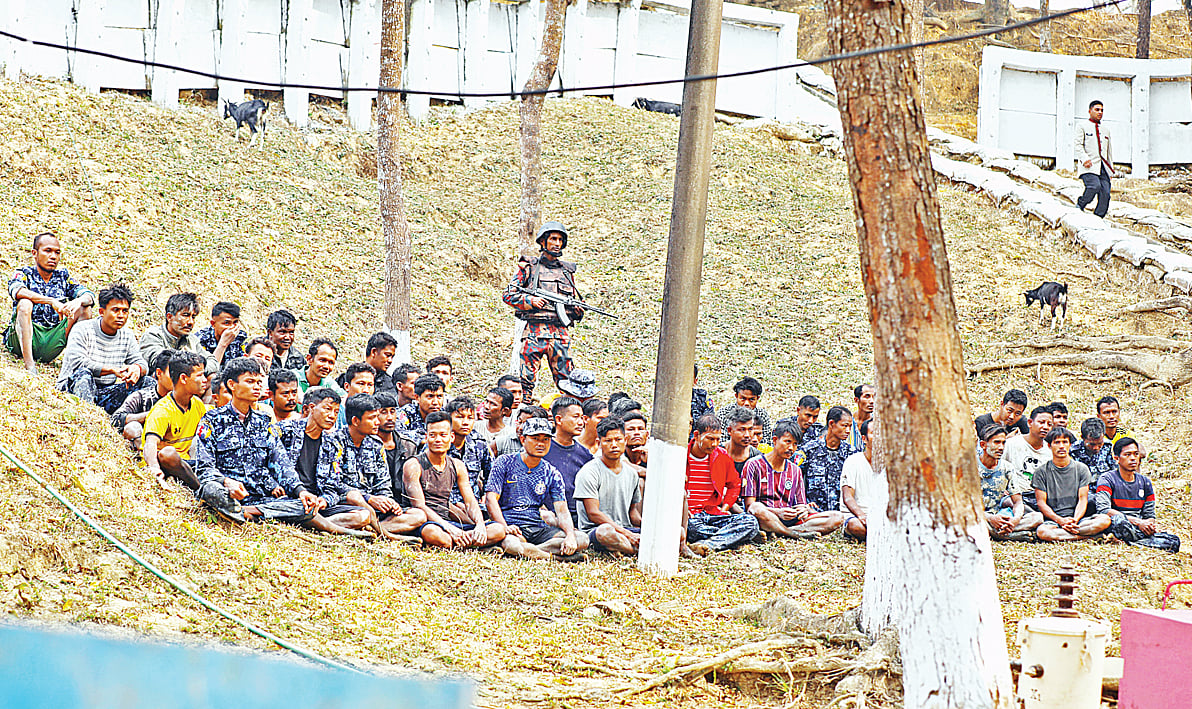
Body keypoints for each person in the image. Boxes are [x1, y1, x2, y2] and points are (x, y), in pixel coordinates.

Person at [191, 357, 322, 526]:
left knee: (307, 506)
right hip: (229, 493)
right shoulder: (212, 420)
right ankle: (245, 512)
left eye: (259, 382)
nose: (257, 386)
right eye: (250, 381)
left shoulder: (265, 422)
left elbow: (282, 464)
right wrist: (226, 482)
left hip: (261, 497)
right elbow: (204, 469)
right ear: (232, 385)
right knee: (210, 490)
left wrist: (300, 491)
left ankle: (246, 513)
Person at [318, 393, 423, 538]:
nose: (377, 422)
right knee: (357, 503)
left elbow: (383, 483)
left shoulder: (376, 444)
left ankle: (371, 528)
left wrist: (388, 502)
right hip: (345, 504)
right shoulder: (333, 442)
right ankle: (386, 533)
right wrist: (368, 498)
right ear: (355, 421)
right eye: (371, 418)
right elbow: (331, 484)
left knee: (418, 515)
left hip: (373, 508)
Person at [486, 417, 589, 560]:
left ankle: (533, 552)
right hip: (511, 526)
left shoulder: (551, 472)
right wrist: (504, 526)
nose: (541, 444)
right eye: (535, 438)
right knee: (512, 544)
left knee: (582, 539)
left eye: (546, 439)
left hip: (536, 527)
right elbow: (491, 499)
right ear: (523, 440)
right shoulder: (504, 462)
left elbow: (562, 509)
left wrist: (570, 536)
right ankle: (554, 557)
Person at [502, 221, 582, 402]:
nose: (557, 243)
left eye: (560, 239)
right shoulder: (529, 267)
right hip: (534, 331)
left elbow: (577, 303)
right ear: (543, 242)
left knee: (567, 382)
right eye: (553, 239)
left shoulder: (567, 271)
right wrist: (530, 301)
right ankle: (522, 413)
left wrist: (577, 310)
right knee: (525, 383)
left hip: (560, 333)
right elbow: (508, 295)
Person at [405, 411, 504, 549]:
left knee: (498, 530)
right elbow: (419, 505)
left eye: (443, 435)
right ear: (426, 437)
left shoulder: (457, 465)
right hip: (430, 522)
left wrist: (480, 525)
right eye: (432, 435)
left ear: (451, 437)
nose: (438, 440)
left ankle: (461, 543)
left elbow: (470, 500)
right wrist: (451, 529)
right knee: (433, 534)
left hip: (450, 520)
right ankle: (470, 545)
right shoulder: (414, 465)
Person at [6, 232, 94, 372]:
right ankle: (29, 365)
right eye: (47, 251)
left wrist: (79, 301)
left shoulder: (63, 278)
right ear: (35, 253)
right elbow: (17, 291)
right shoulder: (24, 273)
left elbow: (89, 295)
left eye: (57, 252)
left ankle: (77, 366)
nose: (53, 256)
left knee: (85, 308)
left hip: (51, 340)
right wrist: (51, 301)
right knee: (25, 303)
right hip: (22, 338)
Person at [743, 419, 843, 540]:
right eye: (787, 442)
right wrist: (778, 513)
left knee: (837, 517)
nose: (791, 448)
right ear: (775, 440)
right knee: (756, 508)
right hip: (767, 516)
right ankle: (793, 534)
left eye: (795, 444)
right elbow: (749, 505)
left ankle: (782, 531)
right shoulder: (754, 464)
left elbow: (800, 503)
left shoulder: (795, 470)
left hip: (791, 519)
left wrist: (803, 510)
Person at [56, 283, 148, 413]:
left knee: (147, 382)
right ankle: (87, 418)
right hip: (72, 387)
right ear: (101, 311)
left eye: (125, 311)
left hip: (103, 392)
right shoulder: (82, 329)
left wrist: (137, 368)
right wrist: (111, 370)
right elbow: (78, 363)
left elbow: (141, 362)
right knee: (84, 375)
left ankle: (133, 421)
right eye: (115, 310)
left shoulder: (127, 336)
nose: (121, 315)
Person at [684, 415, 759, 555]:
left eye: (718, 439)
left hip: (713, 512)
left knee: (750, 522)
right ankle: (737, 538)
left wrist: (726, 507)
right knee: (692, 529)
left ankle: (708, 544)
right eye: (710, 438)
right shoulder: (681, 455)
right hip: (691, 518)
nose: (714, 444)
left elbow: (734, 484)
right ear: (697, 435)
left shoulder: (721, 456)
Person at [1095, 438, 1180, 551]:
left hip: (1138, 528)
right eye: (1127, 455)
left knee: (1173, 541)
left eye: (1136, 454)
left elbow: (1149, 514)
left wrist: (1149, 525)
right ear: (1117, 458)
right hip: (1121, 523)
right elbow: (1104, 509)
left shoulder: (1145, 482)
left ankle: (1131, 543)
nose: (1133, 458)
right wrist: (1138, 522)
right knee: (1119, 522)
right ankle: (1137, 541)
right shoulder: (1107, 479)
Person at [574, 416, 643, 555]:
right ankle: (639, 552)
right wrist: (628, 535)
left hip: (626, 528)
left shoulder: (632, 473)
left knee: (677, 531)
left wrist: (649, 526)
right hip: (596, 530)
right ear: (599, 443)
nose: (614, 445)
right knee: (606, 533)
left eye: (618, 439)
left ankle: (627, 548)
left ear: (625, 440)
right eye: (608, 441)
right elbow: (593, 513)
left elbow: (632, 512)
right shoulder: (589, 471)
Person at [142, 351, 208, 491]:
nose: (205, 380)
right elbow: (150, 443)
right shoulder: (162, 410)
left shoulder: (197, 404)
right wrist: (154, 468)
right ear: (183, 378)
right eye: (200, 375)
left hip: (188, 463)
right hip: (167, 465)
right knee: (168, 454)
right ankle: (200, 490)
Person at [1033, 428, 1111, 542]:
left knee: (1104, 520)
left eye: (1065, 442)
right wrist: (1061, 521)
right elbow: (1041, 503)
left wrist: (1074, 520)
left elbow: (1083, 499)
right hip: (1053, 520)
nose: (1061, 446)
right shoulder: (1041, 472)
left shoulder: (1081, 469)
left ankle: (1067, 535)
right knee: (1042, 532)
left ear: (1070, 445)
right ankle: (1086, 537)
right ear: (1049, 446)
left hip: (1078, 520)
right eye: (1057, 442)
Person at [977, 424, 1040, 541]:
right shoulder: (969, 467)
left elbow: (1017, 502)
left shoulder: (1007, 468)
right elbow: (963, 506)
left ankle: (1003, 531)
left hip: (999, 515)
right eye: (996, 442)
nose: (1001, 447)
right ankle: (1008, 535)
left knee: (1037, 517)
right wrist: (990, 518)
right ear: (983, 445)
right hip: (977, 516)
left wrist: (1015, 520)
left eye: (1003, 443)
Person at [542, 396, 594, 524]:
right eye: (575, 417)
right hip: (546, 517)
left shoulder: (585, 454)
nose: (581, 422)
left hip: (577, 518)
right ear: (559, 419)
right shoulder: (541, 450)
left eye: (582, 418)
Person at [795, 406, 856, 513]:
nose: (848, 431)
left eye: (850, 426)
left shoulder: (851, 454)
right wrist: (803, 502)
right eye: (844, 426)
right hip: (812, 511)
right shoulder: (809, 450)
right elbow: (793, 476)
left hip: (842, 512)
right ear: (831, 424)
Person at [443, 396, 493, 525]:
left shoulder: (478, 443)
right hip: (445, 505)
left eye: (470, 418)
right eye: (460, 417)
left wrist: (487, 494)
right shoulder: (439, 442)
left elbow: (491, 473)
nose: (465, 422)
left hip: (474, 505)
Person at [139, 292, 217, 374]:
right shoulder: (153, 335)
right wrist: (195, 367)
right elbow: (161, 363)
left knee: (212, 377)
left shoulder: (191, 339)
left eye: (193, 317)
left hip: (187, 383)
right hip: (157, 384)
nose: (191, 322)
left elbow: (213, 362)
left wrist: (195, 369)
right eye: (185, 315)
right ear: (169, 317)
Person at [112, 349, 174, 450]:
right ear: (159, 373)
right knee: (133, 427)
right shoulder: (142, 397)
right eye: (171, 373)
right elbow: (116, 419)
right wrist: (153, 414)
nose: (176, 378)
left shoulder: (187, 399)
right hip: (147, 447)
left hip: (177, 452)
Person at [999, 406, 1053, 507]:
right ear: (1029, 423)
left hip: (1039, 498)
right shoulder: (1011, 444)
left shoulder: (1051, 451)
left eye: (1049, 424)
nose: (1045, 427)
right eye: (1041, 422)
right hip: (1014, 495)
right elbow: (995, 467)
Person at [840, 420, 884, 540]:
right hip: (857, 516)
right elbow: (848, 497)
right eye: (874, 433)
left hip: (881, 518)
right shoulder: (853, 461)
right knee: (855, 526)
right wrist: (861, 515)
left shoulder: (889, 465)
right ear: (864, 439)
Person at [373, 391, 420, 504]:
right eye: (383, 412)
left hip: (405, 503)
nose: (390, 418)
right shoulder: (367, 445)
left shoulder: (408, 445)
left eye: (392, 412)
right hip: (379, 502)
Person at [1075, 100, 1116, 218]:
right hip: (1089, 165)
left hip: (1103, 167)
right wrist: (1084, 159)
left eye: (1102, 110)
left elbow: (1109, 152)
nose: (1100, 112)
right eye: (1097, 109)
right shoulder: (1082, 126)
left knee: (1106, 193)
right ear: (1090, 111)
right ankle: (1080, 204)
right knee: (1094, 186)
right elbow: (1078, 145)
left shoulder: (1106, 130)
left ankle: (1098, 217)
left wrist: (1110, 170)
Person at [717, 377, 773, 442]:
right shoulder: (724, 413)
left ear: (757, 398)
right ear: (736, 396)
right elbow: (721, 441)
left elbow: (766, 441)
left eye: (751, 399)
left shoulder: (763, 415)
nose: (746, 403)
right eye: (743, 399)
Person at [396, 373, 446, 443]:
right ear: (417, 398)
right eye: (430, 396)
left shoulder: (446, 416)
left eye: (439, 396)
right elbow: (397, 435)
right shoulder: (406, 413)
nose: (435, 402)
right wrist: (422, 440)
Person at [196, 301, 246, 367]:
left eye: (235, 322)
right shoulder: (200, 339)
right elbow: (205, 370)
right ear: (213, 324)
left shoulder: (240, 337)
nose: (232, 327)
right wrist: (223, 344)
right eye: (226, 323)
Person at [1070, 417, 1115, 486]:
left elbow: (1115, 472)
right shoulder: (1073, 451)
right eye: (1091, 444)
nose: (1096, 448)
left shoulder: (1108, 447)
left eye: (1100, 444)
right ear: (1083, 438)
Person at [721, 406, 759, 481]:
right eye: (742, 430)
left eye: (750, 429)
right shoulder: (717, 453)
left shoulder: (757, 459)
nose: (747, 435)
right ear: (730, 430)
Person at [847, 384, 874, 451]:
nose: (872, 401)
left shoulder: (880, 423)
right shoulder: (846, 422)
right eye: (867, 397)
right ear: (856, 400)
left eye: (874, 397)